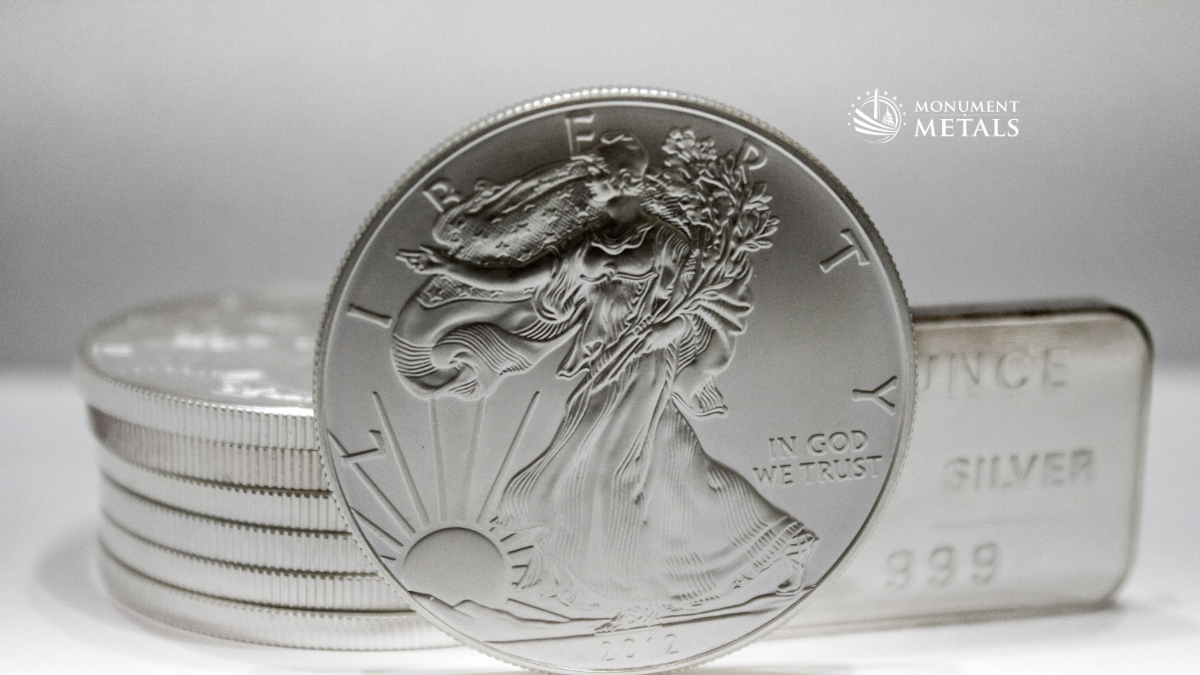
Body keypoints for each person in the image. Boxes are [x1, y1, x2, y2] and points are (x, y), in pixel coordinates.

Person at [395, 129, 816, 628]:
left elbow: (698, 306)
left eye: (594, 173)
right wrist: (452, 266)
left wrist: (667, 328)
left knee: (609, 471)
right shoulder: (588, 241)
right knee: (672, 472)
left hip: (644, 365)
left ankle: (628, 595)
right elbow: (520, 278)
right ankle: (770, 547)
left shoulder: (667, 241)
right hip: (603, 367)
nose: (586, 181)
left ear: (621, 179)